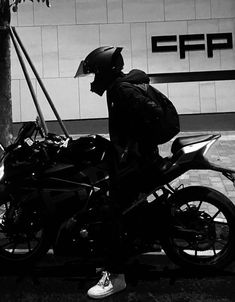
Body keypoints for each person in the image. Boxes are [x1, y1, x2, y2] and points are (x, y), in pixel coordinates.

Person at [74, 46, 164, 299]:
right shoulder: (120, 88)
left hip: (138, 163)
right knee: (121, 205)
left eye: (94, 73)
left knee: (111, 212)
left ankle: (116, 277)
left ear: (104, 71)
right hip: (136, 159)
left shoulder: (121, 90)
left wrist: (130, 151)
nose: (93, 80)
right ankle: (140, 240)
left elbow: (149, 117)